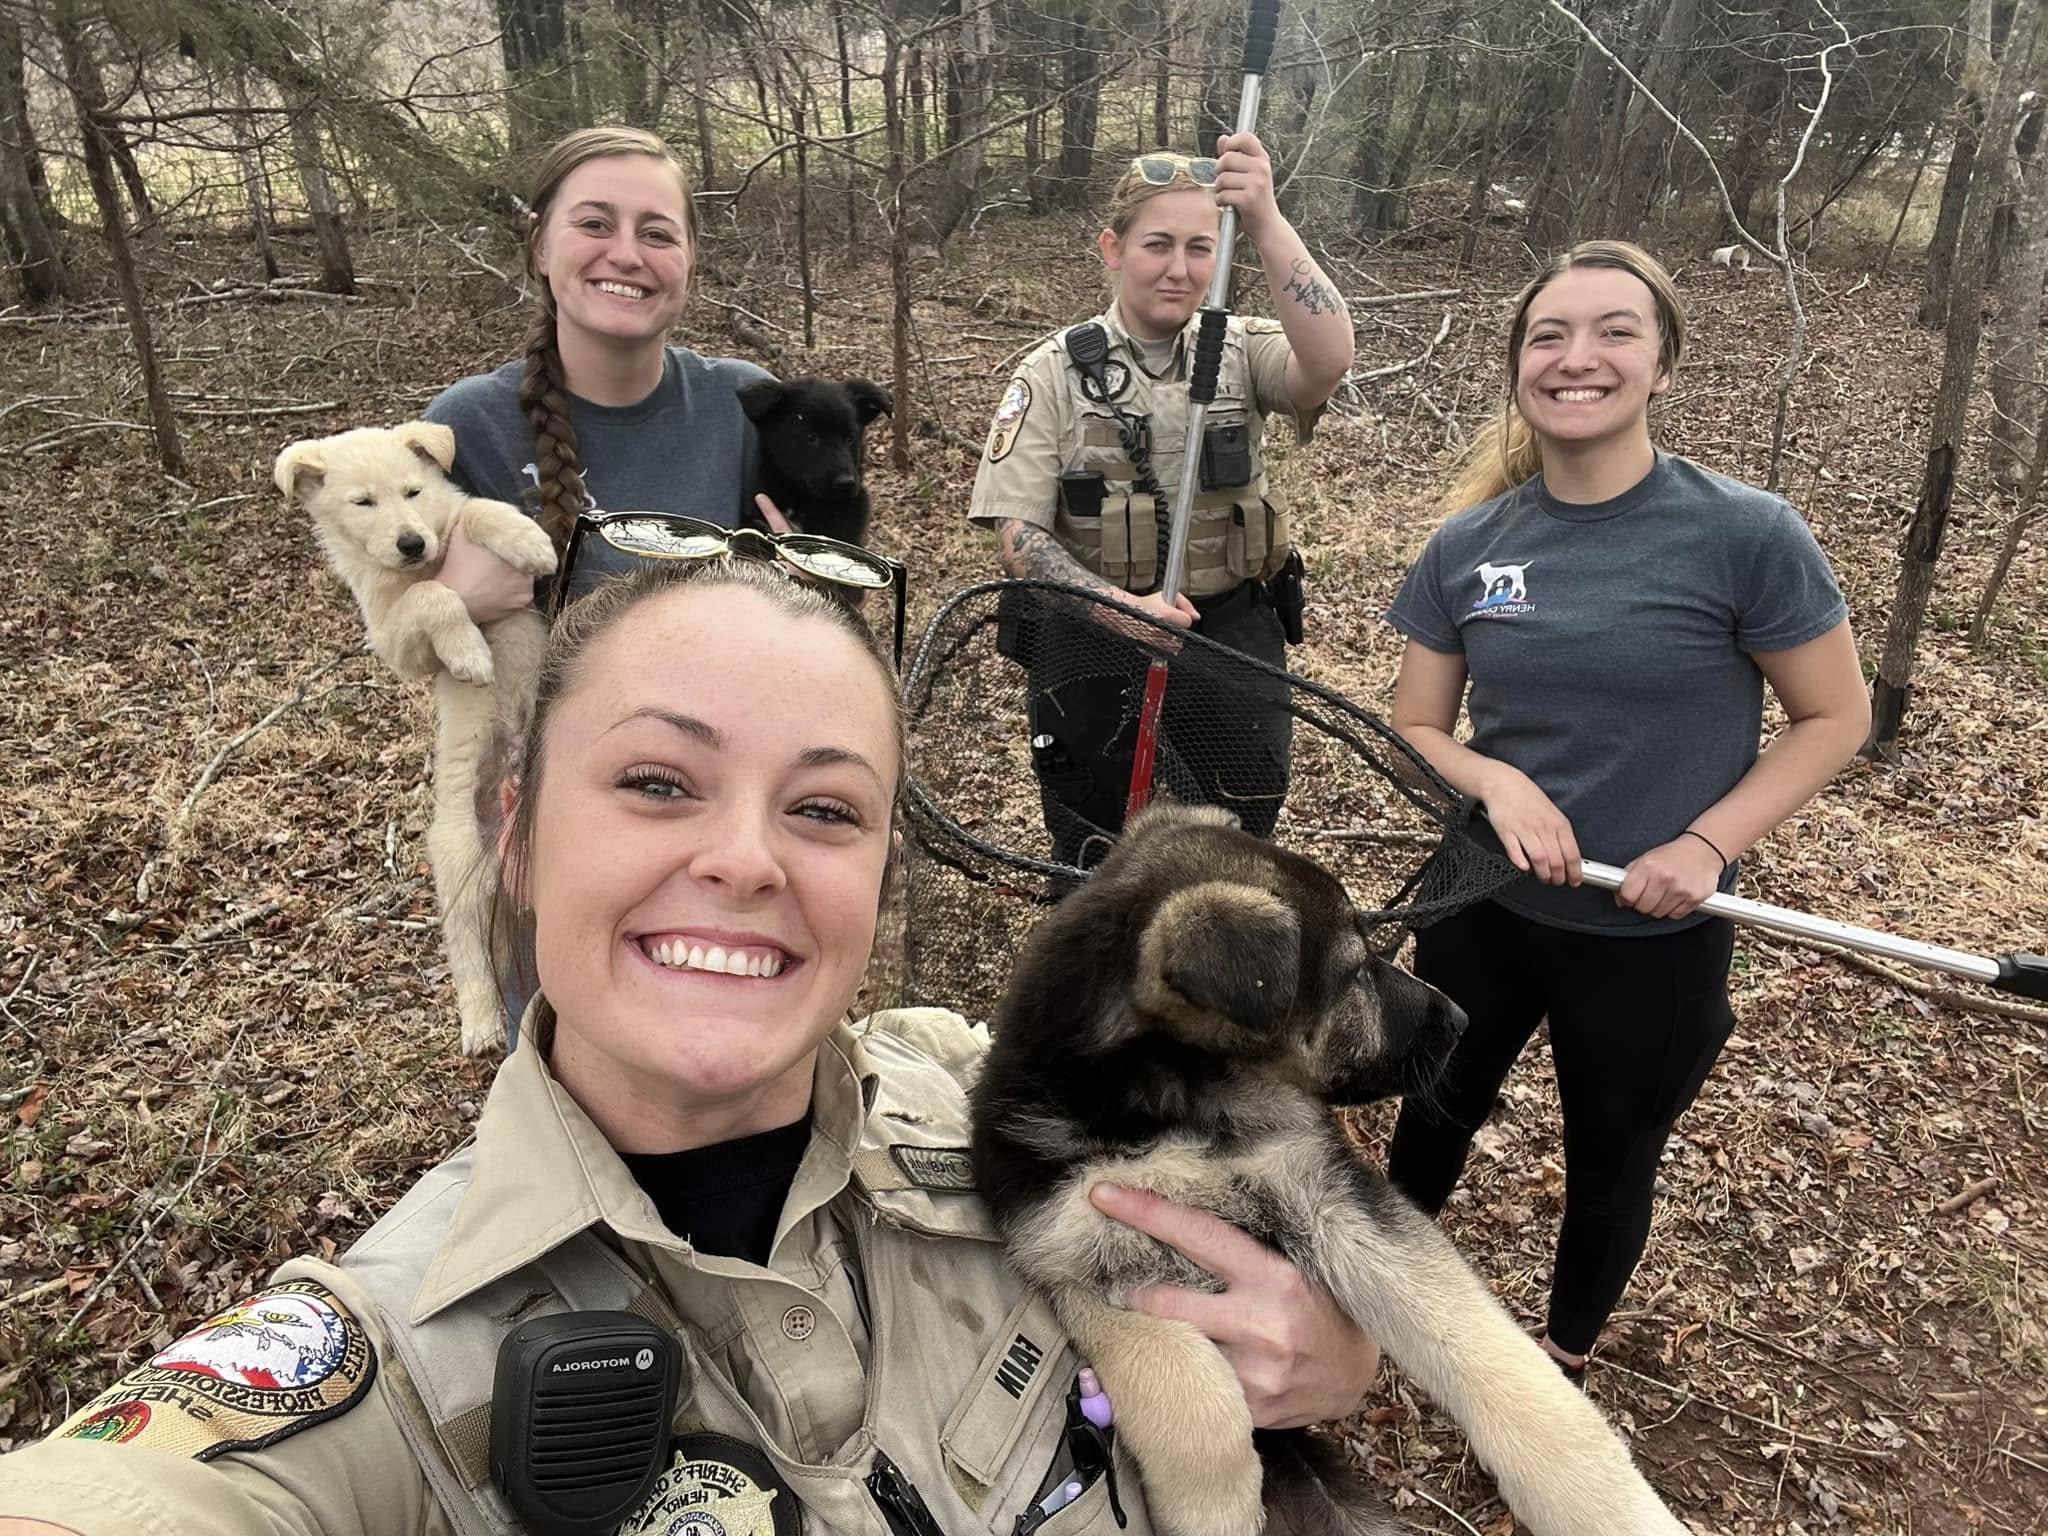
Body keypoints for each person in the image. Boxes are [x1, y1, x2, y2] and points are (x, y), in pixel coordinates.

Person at [0, 552, 1380, 1536]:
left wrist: (1333, 1348)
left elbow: (1320, 1257)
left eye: (826, 811)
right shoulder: (399, 1368)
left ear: (881, 878)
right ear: (517, 831)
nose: (745, 861)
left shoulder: (1004, 1110)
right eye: (659, 783)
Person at [1381, 240, 1871, 1383]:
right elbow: (1415, 725)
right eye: (1546, 336)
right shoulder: (1468, 547)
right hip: (1480, 905)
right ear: (1516, 369)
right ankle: (1372, 1306)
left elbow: (1830, 718)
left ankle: (1560, 1360)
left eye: (1613, 331)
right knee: (1431, 1112)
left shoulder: (1746, 535)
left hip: (1650, 935)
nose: (1575, 357)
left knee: (1611, 1157)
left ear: (1660, 367)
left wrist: (1705, 843)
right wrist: (1496, 783)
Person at [967, 136, 1354, 867]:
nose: (1180, 269)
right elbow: (1019, 535)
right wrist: (1120, 608)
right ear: (1113, 250)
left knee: (1240, 833)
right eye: (1158, 245)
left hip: (1231, 630)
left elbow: (1330, 358)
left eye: (1201, 248)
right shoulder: (1051, 373)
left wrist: (1266, 218)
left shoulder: (1244, 350)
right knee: (1096, 842)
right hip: (1093, 641)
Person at [424, 124, 779, 627]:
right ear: (540, 245)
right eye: (594, 224)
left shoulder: (748, 402)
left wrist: (823, 599)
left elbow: (825, 604)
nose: (628, 256)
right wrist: (453, 608)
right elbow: (405, 630)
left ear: (690, 262)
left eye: (657, 234)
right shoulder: (467, 428)